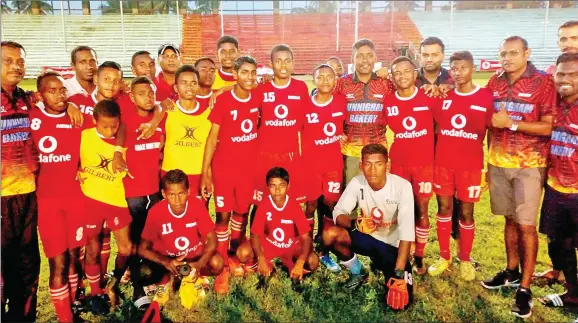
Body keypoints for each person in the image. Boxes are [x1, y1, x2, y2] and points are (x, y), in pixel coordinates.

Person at [1, 41, 81, 322]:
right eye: (7, 60)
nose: (15, 66)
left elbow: (52, 102)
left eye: (20, 61)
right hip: (1, 198)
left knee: (27, 265)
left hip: (28, 194)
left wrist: (68, 103)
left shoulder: (26, 99)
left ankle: (23, 318)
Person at [481, 36, 557, 319]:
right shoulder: (495, 82)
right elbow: (488, 120)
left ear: (527, 53)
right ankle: (511, 271)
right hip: (498, 162)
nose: (507, 58)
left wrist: (512, 123)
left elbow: (549, 127)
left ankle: (524, 289)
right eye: (503, 54)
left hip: (529, 164)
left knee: (526, 226)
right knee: (509, 220)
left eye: (513, 53)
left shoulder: (543, 83)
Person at [322, 144, 415, 310]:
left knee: (400, 305)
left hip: (392, 245)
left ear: (387, 165)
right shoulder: (357, 182)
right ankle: (358, 272)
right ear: (361, 165)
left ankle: (385, 265)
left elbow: (407, 234)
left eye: (378, 164)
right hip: (366, 238)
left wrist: (399, 272)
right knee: (330, 234)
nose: (373, 170)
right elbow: (338, 212)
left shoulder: (402, 187)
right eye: (368, 164)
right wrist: (355, 224)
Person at [428, 51, 493, 280]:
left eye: (463, 68)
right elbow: (433, 125)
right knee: (444, 209)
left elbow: (491, 131)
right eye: (454, 69)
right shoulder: (443, 97)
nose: (458, 73)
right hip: (443, 164)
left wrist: (489, 166)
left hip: (471, 166)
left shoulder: (485, 97)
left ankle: (465, 258)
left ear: (473, 68)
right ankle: (444, 256)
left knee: (466, 213)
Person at [333, 38, 394, 283]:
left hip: (378, 153)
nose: (365, 60)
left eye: (369, 55)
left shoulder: (385, 84)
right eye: (360, 56)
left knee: (380, 204)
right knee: (353, 205)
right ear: (353, 58)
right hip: (351, 152)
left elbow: (413, 84)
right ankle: (353, 256)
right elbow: (319, 94)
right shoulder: (342, 83)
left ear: (375, 57)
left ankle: (381, 255)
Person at [29, 71, 87, 322]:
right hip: (47, 203)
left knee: (75, 256)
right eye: (51, 90)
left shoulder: (78, 117)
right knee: (58, 262)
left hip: (75, 199)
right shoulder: (32, 117)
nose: (59, 95)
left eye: (63, 89)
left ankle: (73, 305)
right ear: (40, 94)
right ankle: (65, 318)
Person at [200, 56, 261, 294]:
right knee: (223, 216)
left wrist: (226, 85)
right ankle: (223, 265)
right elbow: (212, 137)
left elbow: (266, 85)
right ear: (235, 74)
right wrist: (206, 172)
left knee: (242, 213)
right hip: (224, 168)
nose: (250, 77)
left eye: (253, 73)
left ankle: (235, 255)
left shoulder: (258, 96)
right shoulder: (224, 101)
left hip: (249, 168)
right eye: (244, 72)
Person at [383, 56, 438, 275]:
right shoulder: (389, 101)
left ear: (416, 74)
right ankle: (399, 251)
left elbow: (439, 125)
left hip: (424, 165)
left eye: (406, 71)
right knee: (398, 209)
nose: (402, 76)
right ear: (392, 77)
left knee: (421, 209)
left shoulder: (428, 97)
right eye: (397, 73)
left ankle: (420, 255)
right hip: (399, 164)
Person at [77, 100, 133, 312]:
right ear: (94, 122)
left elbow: (125, 127)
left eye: (114, 126)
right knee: (93, 247)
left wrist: (118, 150)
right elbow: (72, 155)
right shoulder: (84, 136)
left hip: (116, 200)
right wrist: (75, 168)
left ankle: (113, 283)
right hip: (91, 200)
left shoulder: (123, 137)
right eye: (105, 126)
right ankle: (95, 293)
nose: (110, 130)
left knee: (126, 247)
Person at [138, 169, 224, 307]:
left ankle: (195, 278)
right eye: (172, 195)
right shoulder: (156, 212)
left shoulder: (197, 206)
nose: (177, 200)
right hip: (168, 260)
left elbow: (212, 239)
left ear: (189, 192)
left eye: (181, 193)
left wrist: (199, 264)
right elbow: (142, 249)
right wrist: (166, 262)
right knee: (143, 272)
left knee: (217, 263)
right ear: (163, 194)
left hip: (193, 259)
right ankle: (167, 279)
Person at [536, 52, 578, 309]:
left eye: (573, 74)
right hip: (554, 188)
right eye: (561, 73)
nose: (565, 79)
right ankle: (573, 294)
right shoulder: (552, 104)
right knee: (558, 244)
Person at [122, 76, 165, 309]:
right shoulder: (126, 122)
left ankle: (155, 282)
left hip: (154, 192)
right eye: (141, 94)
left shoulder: (160, 118)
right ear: (131, 97)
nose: (147, 98)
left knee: (155, 239)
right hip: (134, 194)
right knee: (135, 242)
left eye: (150, 93)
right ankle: (138, 290)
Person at [236, 167, 319, 281]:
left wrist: (300, 262)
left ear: (288, 186)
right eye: (273, 186)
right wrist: (260, 258)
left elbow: (306, 238)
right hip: (270, 244)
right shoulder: (264, 205)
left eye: (282, 185)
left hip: (290, 246)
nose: (277, 190)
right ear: (267, 187)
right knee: (242, 252)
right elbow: (255, 234)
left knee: (313, 261)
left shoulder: (294, 206)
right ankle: (267, 268)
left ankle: (293, 270)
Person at [301, 64, 346, 272]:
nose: (326, 81)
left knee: (329, 207)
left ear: (336, 79)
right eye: (321, 77)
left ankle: (324, 252)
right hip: (310, 167)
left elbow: (347, 125)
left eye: (330, 77)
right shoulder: (305, 105)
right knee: (310, 207)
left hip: (333, 167)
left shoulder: (341, 101)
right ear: (314, 80)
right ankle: (306, 249)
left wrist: (344, 134)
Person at [161, 65, 210, 196]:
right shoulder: (167, 111)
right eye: (184, 83)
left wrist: (207, 174)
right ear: (176, 87)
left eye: (193, 83)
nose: (189, 87)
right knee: (172, 215)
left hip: (198, 175)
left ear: (198, 86)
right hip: (170, 174)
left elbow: (210, 148)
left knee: (197, 215)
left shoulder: (208, 113)